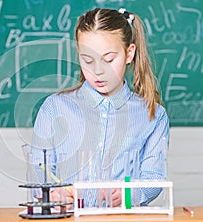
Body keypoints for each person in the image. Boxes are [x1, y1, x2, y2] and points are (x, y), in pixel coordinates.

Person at [30, 7, 169, 209]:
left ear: (129, 53)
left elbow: (154, 177)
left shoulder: (153, 115)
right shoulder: (54, 108)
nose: (97, 71)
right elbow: (38, 171)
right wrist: (52, 193)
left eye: (109, 59)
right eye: (87, 60)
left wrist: (129, 195)